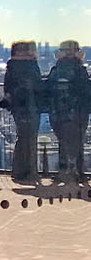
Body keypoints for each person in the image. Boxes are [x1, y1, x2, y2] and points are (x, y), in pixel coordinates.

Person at [46, 40, 91, 184]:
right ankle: (76, 172)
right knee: (76, 142)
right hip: (77, 111)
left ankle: (66, 172)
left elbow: (49, 88)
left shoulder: (57, 69)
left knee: (65, 141)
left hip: (60, 110)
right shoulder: (79, 69)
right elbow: (85, 90)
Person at [3, 40, 44, 184]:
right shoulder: (32, 64)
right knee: (31, 138)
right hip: (31, 105)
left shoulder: (11, 66)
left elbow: (7, 86)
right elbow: (37, 84)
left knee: (23, 137)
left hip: (18, 106)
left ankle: (21, 171)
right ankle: (30, 171)